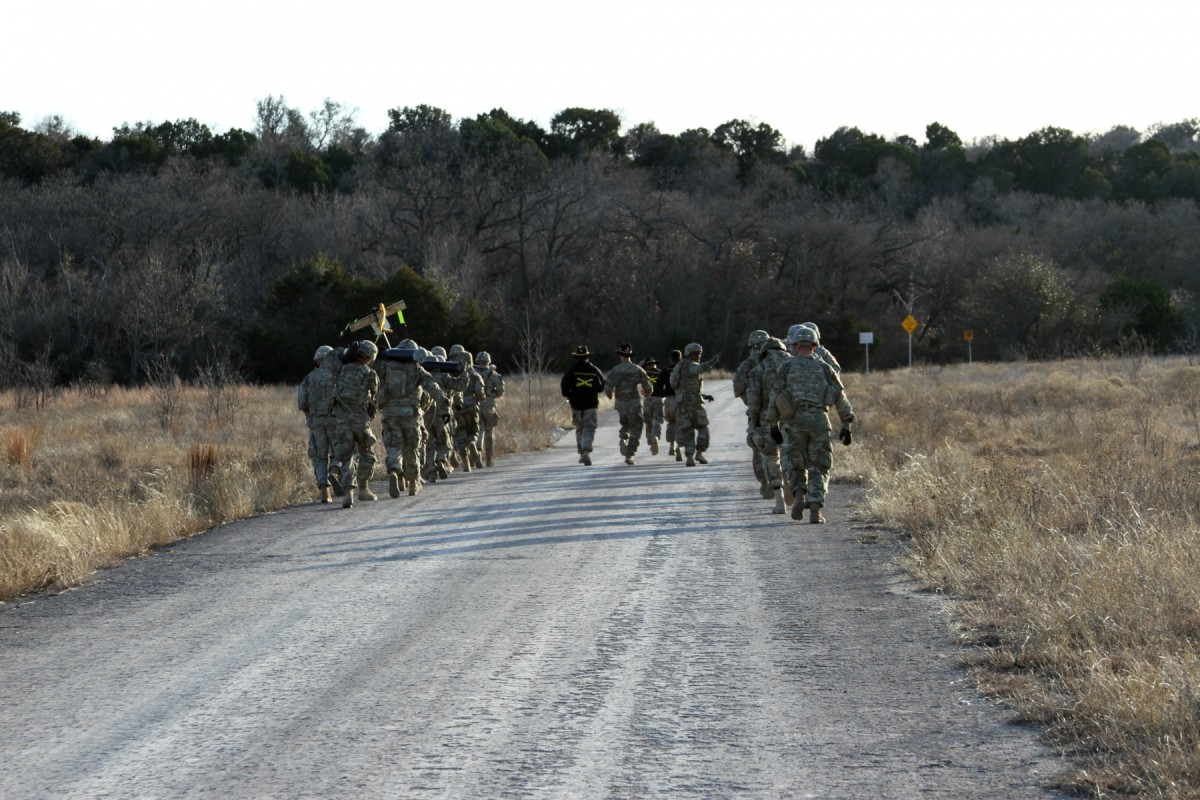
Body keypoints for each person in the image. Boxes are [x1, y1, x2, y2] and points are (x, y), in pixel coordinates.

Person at [765, 326, 855, 523]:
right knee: (819, 467)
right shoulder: (825, 368)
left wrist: (773, 425)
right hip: (819, 422)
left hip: (793, 422)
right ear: (815, 346)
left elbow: (775, 397)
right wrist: (846, 425)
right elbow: (840, 397)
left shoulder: (786, 368)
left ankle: (799, 495)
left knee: (794, 464)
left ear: (796, 346)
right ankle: (815, 510)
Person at [377, 342, 444, 497]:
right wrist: (443, 400)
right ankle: (413, 484)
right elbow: (432, 386)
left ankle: (394, 471)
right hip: (410, 414)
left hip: (390, 413)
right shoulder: (416, 369)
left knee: (394, 446)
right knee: (411, 448)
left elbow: (371, 369)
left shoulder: (385, 367)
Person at [332, 340, 380, 509]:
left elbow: (333, 357)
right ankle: (364, 489)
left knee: (346, 456)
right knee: (367, 453)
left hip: (342, 419)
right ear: (369, 357)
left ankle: (348, 492)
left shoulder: (341, 370)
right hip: (360, 419)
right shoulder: (370, 373)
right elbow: (374, 395)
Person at [745, 337, 791, 513]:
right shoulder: (792, 364)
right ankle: (791, 483)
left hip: (767, 419)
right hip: (791, 418)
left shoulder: (759, 369)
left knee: (770, 458)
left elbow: (754, 401)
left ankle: (780, 502)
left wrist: (753, 423)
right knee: (791, 455)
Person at [297, 345, 337, 503]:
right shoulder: (337, 376)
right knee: (340, 452)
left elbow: (301, 403)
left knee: (319, 457)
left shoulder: (309, 378)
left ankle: (324, 491)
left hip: (316, 422)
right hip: (335, 421)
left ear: (317, 360)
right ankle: (335, 470)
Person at [669, 342, 720, 467]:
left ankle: (690, 456)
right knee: (703, 428)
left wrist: (704, 395)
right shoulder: (691, 366)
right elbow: (698, 369)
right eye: (695, 354)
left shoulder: (678, 367)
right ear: (688, 354)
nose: (698, 356)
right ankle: (699, 453)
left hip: (682, 404)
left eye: (700, 354)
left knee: (688, 430)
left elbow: (680, 386)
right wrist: (711, 363)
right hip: (694, 404)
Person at [735, 330, 771, 494]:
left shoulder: (746, 365)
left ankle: (765, 482)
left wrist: (749, 401)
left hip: (756, 412)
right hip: (780, 410)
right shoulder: (777, 361)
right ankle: (782, 480)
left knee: (758, 447)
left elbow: (738, 388)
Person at [605, 343, 653, 465]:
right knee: (636, 428)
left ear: (620, 355)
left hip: (621, 403)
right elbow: (648, 387)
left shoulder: (615, 370)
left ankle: (623, 437)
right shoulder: (638, 369)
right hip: (634, 403)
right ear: (630, 355)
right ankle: (630, 455)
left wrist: (610, 395)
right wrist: (647, 392)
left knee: (625, 424)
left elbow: (608, 387)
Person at [560, 345, 606, 466]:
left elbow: (564, 385)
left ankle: (582, 452)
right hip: (591, 403)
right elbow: (602, 386)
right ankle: (586, 450)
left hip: (576, 404)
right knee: (589, 428)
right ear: (587, 356)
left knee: (579, 428)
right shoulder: (594, 369)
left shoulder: (571, 370)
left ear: (577, 357)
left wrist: (568, 395)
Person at [449, 345, 486, 471]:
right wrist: (480, 398)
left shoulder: (455, 373)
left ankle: (465, 462)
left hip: (457, 408)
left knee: (460, 435)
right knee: (474, 431)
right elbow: (480, 392)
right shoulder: (475, 375)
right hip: (472, 407)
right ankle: (472, 444)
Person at [423, 345, 457, 481]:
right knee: (444, 442)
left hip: (426, 414)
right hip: (442, 414)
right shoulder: (445, 375)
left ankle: (431, 470)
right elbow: (457, 388)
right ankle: (441, 461)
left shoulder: (422, 375)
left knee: (429, 444)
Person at [473, 350, 505, 467]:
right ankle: (489, 460)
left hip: (475, 404)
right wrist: (492, 395)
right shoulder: (494, 375)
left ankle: (477, 451)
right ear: (488, 361)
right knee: (489, 431)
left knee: (478, 429)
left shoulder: (472, 373)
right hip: (489, 405)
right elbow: (500, 391)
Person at [641, 356, 667, 455]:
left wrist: (641, 365)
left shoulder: (643, 373)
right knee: (657, 421)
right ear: (655, 364)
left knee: (648, 422)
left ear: (646, 366)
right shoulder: (661, 372)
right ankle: (655, 436)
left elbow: (635, 370)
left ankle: (649, 439)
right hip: (659, 399)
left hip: (647, 399)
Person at [663, 349, 682, 460]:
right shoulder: (683, 369)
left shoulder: (665, 370)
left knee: (671, 423)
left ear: (670, 359)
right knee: (681, 424)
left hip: (669, 399)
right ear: (681, 358)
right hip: (681, 399)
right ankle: (679, 446)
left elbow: (659, 385)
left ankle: (672, 445)